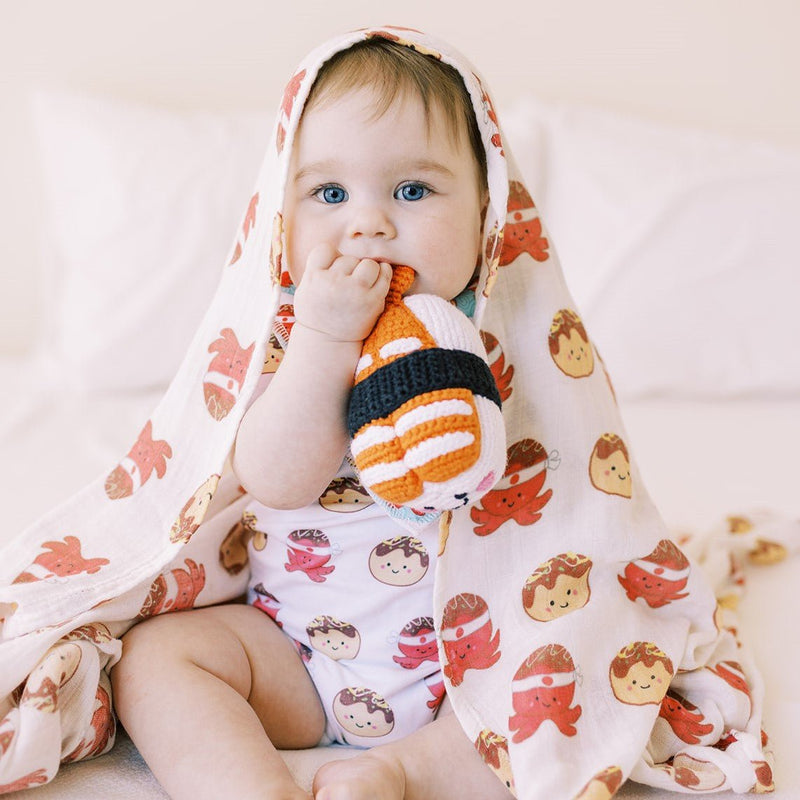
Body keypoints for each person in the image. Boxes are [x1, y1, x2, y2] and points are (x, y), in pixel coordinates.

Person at [111, 36, 514, 800]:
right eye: (329, 195)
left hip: (468, 661)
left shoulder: (509, 339)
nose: (368, 225)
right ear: (278, 215)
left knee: (577, 674)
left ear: (487, 206)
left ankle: (398, 771)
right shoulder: (282, 338)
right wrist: (327, 340)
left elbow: (570, 504)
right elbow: (276, 478)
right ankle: (251, 787)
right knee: (157, 659)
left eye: (413, 190)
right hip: (295, 653)